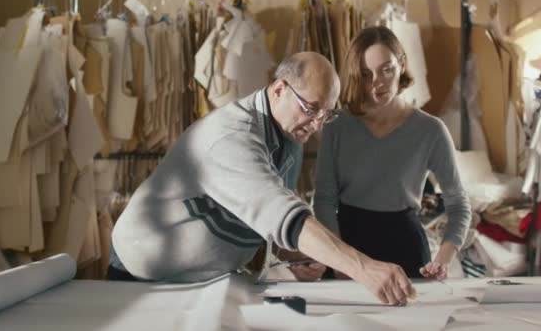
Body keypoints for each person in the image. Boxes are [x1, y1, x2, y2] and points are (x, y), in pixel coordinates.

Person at [109, 51, 415, 305]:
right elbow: (281, 213)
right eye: (311, 109)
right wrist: (364, 268)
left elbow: (261, 219)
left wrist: (293, 254)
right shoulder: (231, 137)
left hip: (199, 282)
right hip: (142, 277)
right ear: (280, 89)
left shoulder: (290, 138)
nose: (317, 125)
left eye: (326, 115)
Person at [314, 26, 472, 280]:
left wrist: (443, 260)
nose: (378, 82)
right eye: (366, 74)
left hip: (406, 248)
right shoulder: (337, 126)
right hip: (348, 248)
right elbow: (323, 201)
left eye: (386, 69)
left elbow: (459, 205)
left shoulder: (431, 130)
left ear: (401, 64)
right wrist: (341, 261)